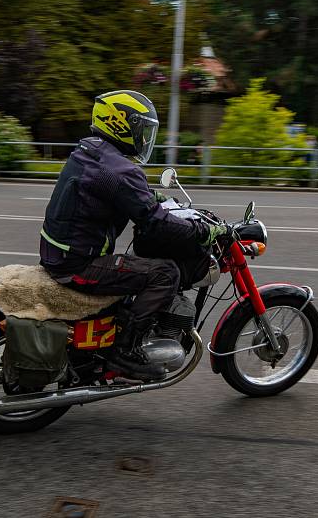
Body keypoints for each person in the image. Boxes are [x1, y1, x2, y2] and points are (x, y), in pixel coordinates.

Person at [39, 90, 227, 380]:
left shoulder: (90, 151)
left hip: (61, 254)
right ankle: (125, 352)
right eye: (140, 128)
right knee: (165, 273)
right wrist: (204, 230)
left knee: (137, 264)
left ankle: (119, 332)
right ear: (119, 124)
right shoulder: (120, 170)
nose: (143, 137)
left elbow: (117, 193)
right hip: (78, 266)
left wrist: (151, 195)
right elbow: (155, 222)